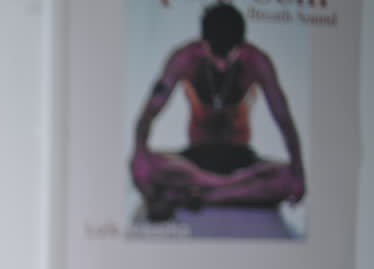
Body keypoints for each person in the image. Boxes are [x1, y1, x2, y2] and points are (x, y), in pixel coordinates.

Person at [130, 2, 306, 222]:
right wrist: (139, 156)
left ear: (240, 46)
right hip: (195, 162)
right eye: (216, 55)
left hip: (240, 159)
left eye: (228, 56)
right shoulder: (184, 59)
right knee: (150, 164)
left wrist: (298, 171)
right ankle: (228, 192)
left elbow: (284, 119)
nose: (222, 65)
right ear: (204, 44)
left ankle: (202, 195)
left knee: (287, 177)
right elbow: (149, 112)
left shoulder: (257, 62)